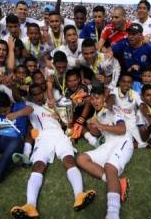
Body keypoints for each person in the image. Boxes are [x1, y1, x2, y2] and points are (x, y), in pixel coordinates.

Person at [10, 84, 96, 219]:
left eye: (40, 93)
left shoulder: (53, 106)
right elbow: (25, 107)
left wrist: (66, 123)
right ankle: (30, 206)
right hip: (43, 138)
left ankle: (79, 195)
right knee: (38, 166)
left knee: (69, 160)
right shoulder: (31, 106)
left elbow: (66, 120)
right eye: (35, 94)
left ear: (43, 93)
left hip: (60, 136)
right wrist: (17, 113)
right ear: (31, 96)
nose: (38, 96)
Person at [76, 85, 133, 219]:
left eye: (98, 98)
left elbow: (121, 130)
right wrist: (92, 126)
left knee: (109, 167)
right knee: (81, 159)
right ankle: (117, 183)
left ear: (103, 98)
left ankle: (113, 214)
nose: (95, 101)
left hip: (122, 142)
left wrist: (100, 125)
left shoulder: (113, 109)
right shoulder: (97, 113)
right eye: (92, 99)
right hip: (108, 144)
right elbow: (97, 132)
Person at [107, 72, 146, 148]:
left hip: (131, 122)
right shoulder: (114, 91)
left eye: (129, 82)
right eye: (123, 82)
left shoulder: (135, 94)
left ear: (132, 84)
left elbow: (141, 105)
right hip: (118, 121)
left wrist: (148, 117)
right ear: (119, 82)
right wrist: (111, 105)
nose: (126, 84)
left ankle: (132, 143)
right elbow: (111, 100)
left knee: (139, 142)